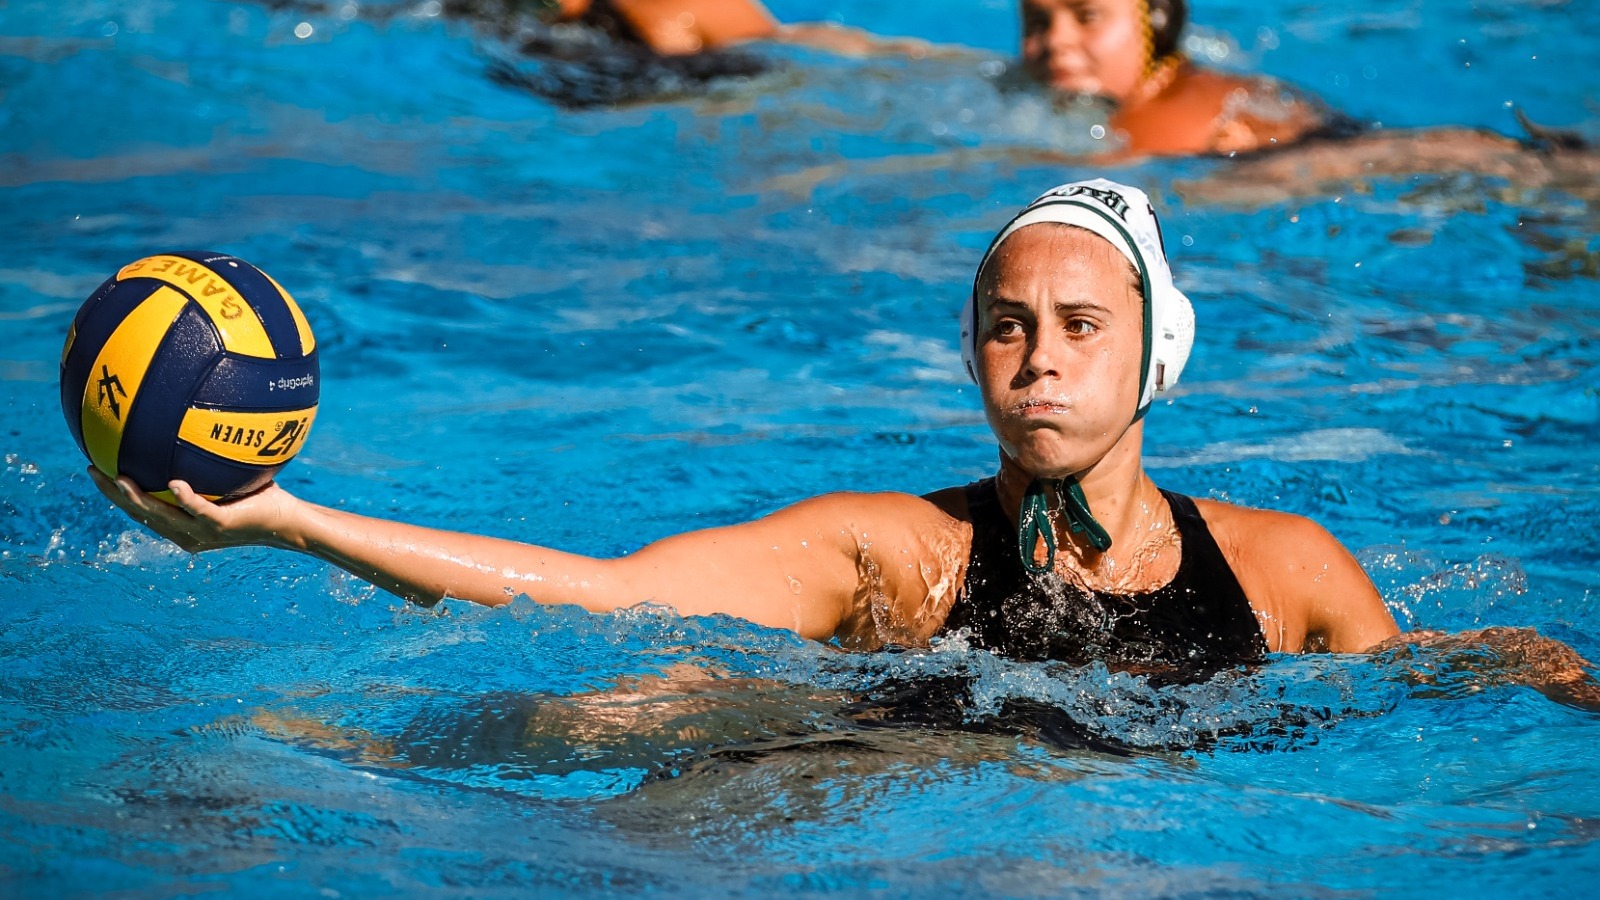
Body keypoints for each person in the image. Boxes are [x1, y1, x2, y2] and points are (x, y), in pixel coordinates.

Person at [94, 177, 1405, 676]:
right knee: (625, 714)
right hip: (889, 802)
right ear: (972, 353)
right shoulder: (899, 558)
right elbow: (612, 596)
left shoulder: (1285, 574)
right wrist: (293, 523)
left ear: (1159, 352)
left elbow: (1434, 705)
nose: (1040, 360)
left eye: (1080, 325)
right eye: (1007, 326)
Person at [457, 0, 1323, 154]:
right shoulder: (1024, 88)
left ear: (1157, 23)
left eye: (1086, 18)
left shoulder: (1231, 118)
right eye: (1036, 21)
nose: (1055, 43)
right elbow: (897, 59)